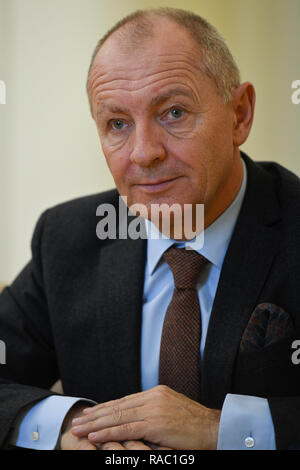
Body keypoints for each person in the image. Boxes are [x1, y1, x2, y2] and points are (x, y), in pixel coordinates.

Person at [0, 7, 299, 451]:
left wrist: (221, 430)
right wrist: (72, 425)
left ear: (239, 114)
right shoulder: (67, 238)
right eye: (117, 124)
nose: (143, 153)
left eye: (173, 112)